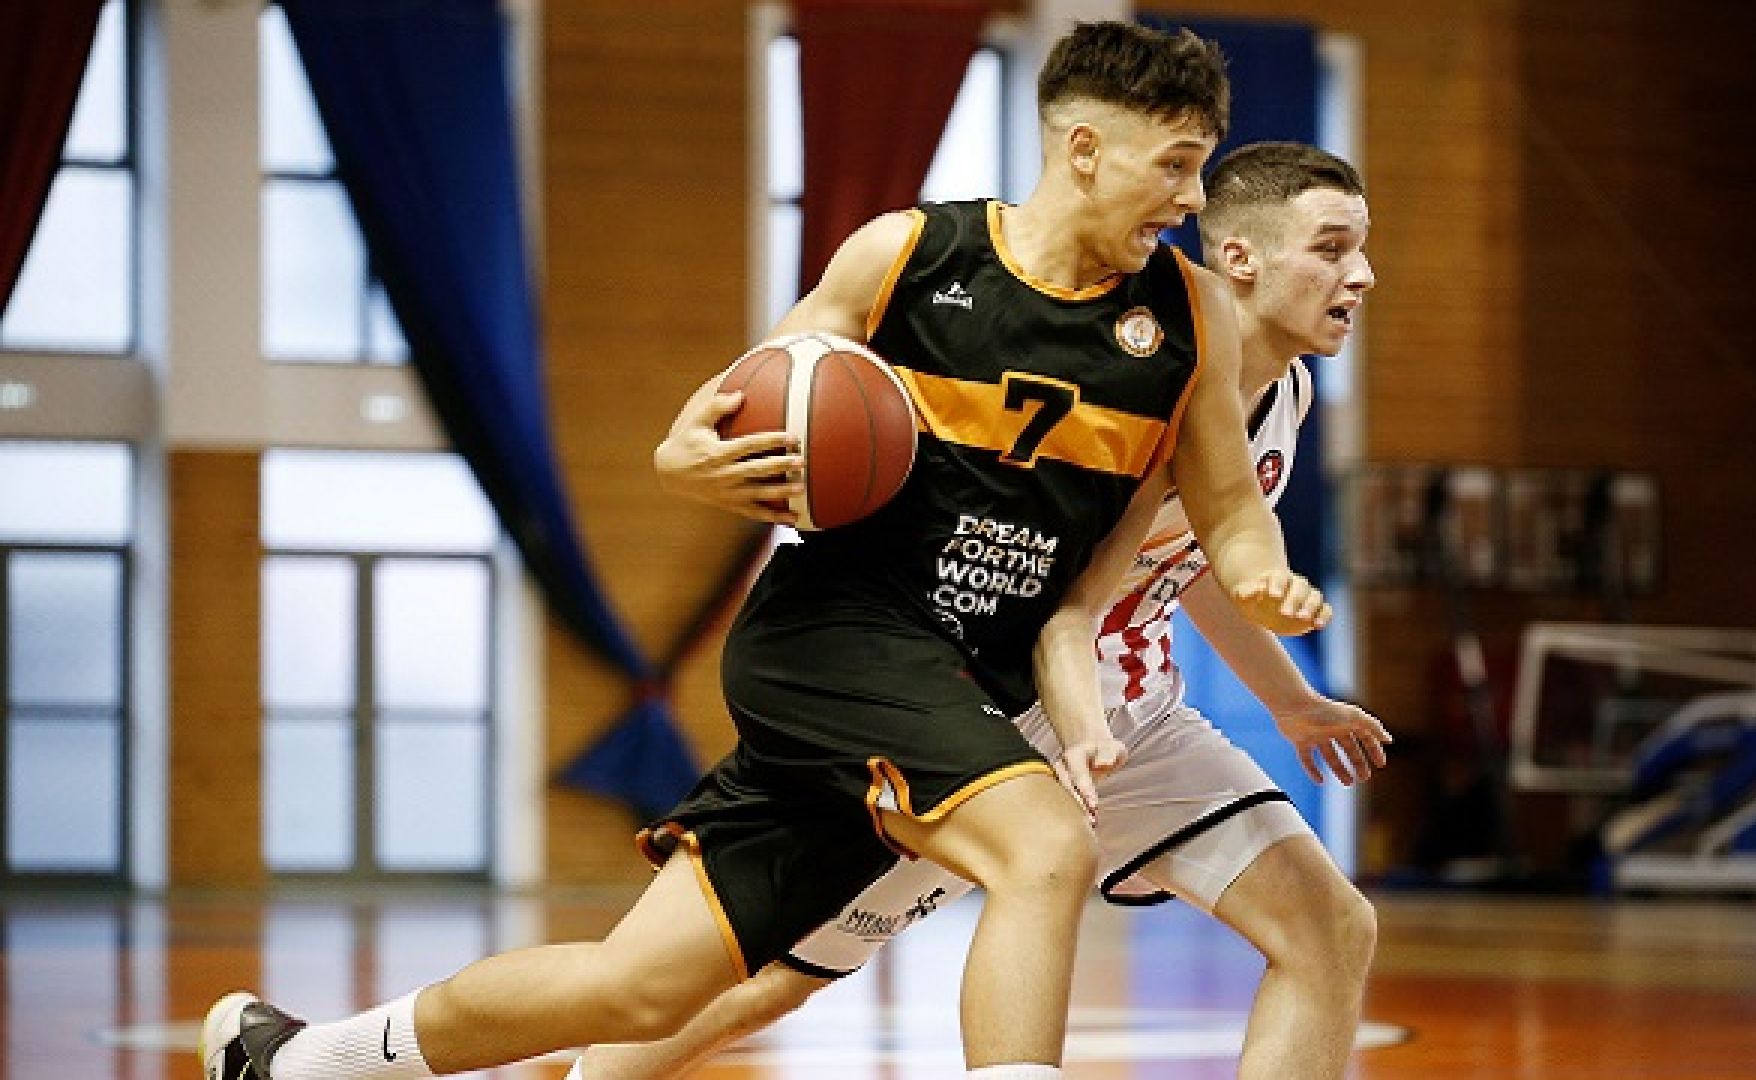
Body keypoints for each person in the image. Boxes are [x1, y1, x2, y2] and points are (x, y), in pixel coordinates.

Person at [201, 23, 1328, 1080]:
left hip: (962, 679)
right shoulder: (909, 255)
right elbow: (747, 402)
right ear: (1084, 149)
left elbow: (1230, 506)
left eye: (1200, 169)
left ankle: (297, 1061)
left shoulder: (1188, 316)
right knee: (1043, 846)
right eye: (1175, 166)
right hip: (840, 633)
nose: (1190, 200)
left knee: (637, 989)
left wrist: (1258, 574)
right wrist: (682, 461)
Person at [566, 142, 1384, 1080]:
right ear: (1240, 257)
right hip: (1004, 719)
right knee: (772, 979)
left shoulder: (1288, 393)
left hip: (1138, 720)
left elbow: (1190, 564)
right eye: (1333, 248)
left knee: (1330, 927)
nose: (1361, 276)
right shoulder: (1147, 385)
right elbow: (1067, 601)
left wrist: (1290, 701)